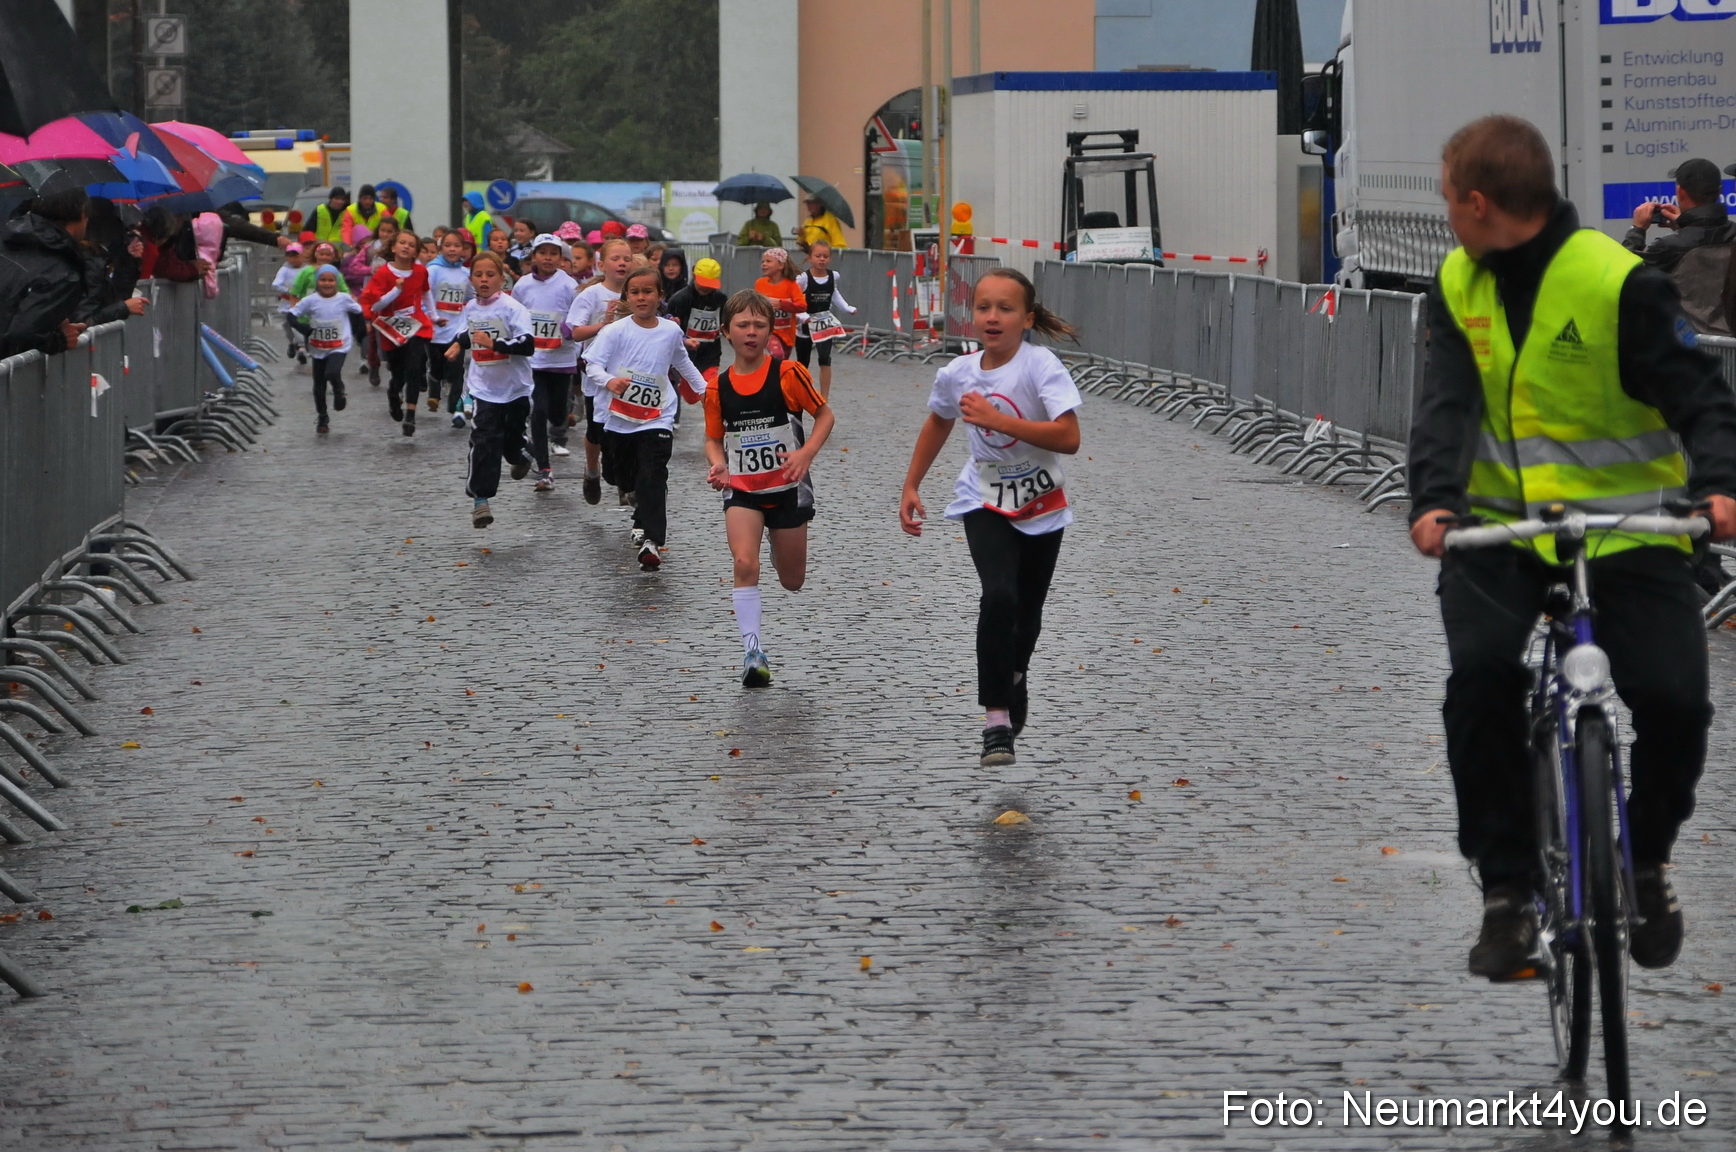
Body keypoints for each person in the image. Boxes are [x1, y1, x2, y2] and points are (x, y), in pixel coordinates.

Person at [1405, 115, 1736, 979]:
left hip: (1628, 531)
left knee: (1674, 700)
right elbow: (1444, 404)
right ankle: (1507, 889)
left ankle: (1646, 860)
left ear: (1479, 204)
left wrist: (1718, 486)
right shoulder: (1455, 282)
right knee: (1480, 681)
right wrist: (1434, 504)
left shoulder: (1617, 282)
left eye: (1449, 202)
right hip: (1496, 532)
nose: (1447, 219)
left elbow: (1701, 395)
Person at [899, 268, 1082, 770]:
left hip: (1042, 501)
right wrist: (911, 484)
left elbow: (1068, 438)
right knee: (998, 595)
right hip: (984, 497)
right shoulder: (959, 373)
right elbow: (939, 420)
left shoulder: (1040, 365)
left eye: (1005, 308)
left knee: (1027, 615)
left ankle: (1016, 672)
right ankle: (996, 721)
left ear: (1026, 317)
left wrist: (1000, 420)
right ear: (971, 314)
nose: (992, 317)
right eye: (983, 307)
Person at [703, 290, 835, 686]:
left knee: (792, 581)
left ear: (770, 330)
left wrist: (806, 453)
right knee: (745, 564)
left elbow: (825, 415)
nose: (752, 332)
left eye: (760, 325)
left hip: (788, 487)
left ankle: (779, 547)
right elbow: (712, 438)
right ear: (726, 331)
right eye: (743, 325)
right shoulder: (717, 387)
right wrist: (719, 464)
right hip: (742, 489)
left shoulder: (788, 374)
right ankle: (753, 652)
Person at [584, 265, 708, 570]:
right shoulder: (614, 331)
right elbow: (592, 365)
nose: (641, 297)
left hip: (657, 416)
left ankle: (651, 541)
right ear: (627, 296)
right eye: (635, 292)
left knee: (653, 474)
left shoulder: (670, 331)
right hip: (618, 418)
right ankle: (633, 501)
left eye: (648, 291)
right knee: (621, 477)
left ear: (660, 296)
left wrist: (708, 393)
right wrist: (609, 381)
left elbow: (682, 362)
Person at [446, 251, 537, 529]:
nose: (484, 280)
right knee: (484, 440)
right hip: (484, 388)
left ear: (502, 278)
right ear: (471, 278)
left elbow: (527, 344)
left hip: (515, 389)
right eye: (478, 275)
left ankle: (523, 453)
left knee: (510, 444)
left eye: (490, 275)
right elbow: (469, 333)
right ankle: (480, 500)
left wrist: (494, 344)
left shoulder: (513, 308)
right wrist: (458, 344)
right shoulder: (470, 307)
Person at [566, 237, 633, 506]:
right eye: (616, 258)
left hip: (628, 374)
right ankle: (592, 471)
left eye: (627, 259)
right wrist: (603, 324)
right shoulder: (591, 296)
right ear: (601, 264)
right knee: (598, 430)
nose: (622, 263)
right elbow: (575, 332)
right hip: (597, 375)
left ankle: (623, 481)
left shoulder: (636, 293)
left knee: (626, 428)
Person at [512, 233, 581, 489]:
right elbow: (514, 313)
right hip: (534, 361)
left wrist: (567, 329)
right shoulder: (522, 285)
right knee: (537, 411)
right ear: (534, 256)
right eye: (543, 253)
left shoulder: (569, 285)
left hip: (562, 359)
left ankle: (560, 422)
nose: (548, 258)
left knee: (557, 412)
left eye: (553, 253)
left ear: (561, 257)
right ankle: (544, 469)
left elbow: (578, 315)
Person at [0, 180, 94, 358]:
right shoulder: (63, 272)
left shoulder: (8, 242)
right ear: (82, 214)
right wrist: (59, 339)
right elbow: (22, 333)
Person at [359, 230, 435, 435]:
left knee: (414, 366)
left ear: (415, 252)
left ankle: (410, 415)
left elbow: (426, 293)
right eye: (402, 242)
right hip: (391, 327)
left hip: (416, 324)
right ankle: (394, 393)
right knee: (398, 373)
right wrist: (396, 290)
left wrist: (434, 318)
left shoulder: (420, 272)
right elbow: (375, 305)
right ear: (393, 247)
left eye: (411, 245)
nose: (406, 247)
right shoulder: (384, 273)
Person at [1622, 158, 1732, 276]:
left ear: (1680, 192)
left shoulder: (1665, 248)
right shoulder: (1733, 233)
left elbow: (1624, 275)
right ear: (1720, 191)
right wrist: (1685, 227)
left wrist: (1637, 231)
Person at [289, 264, 363, 435]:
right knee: (319, 384)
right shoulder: (310, 300)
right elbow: (291, 315)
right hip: (317, 347)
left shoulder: (344, 298)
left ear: (336, 282)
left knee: (332, 373)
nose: (327, 283)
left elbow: (358, 312)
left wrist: (360, 334)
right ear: (317, 282)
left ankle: (338, 389)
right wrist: (303, 328)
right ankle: (322, 416)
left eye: (330, 280)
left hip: (339, 345)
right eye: (323, 280)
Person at [794, 240, 858, 398]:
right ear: (810, 257)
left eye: (825, 256)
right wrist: (802, 316)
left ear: (830, 258)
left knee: (824, 358)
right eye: (818, 256)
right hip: (806, 322)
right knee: (803, 361)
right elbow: (795, 300)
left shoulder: (833, 276)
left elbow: (835, 294)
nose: (822, 259)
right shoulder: (803, 278)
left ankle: (824, 397)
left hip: (824, 322)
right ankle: (801, 393)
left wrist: (847, 307)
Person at [425, 229, 475, 429]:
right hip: (436, 328)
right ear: (440, 248)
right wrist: (431, 318)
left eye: (457, 245)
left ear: (462, 249)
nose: (453, 249)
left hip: (458, 328)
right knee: (437, 367)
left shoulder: (465, 273)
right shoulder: (433, 270)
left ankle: (457, 409)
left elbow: (471, 297)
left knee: (456, 371)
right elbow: (423, 295)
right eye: (448, 245)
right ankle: (434, 386)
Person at [667, 256, 728, 384]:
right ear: (694, 275)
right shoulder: (679, 299)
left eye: (709, 284)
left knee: (709, 388)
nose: (705, 288)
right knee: (691, 397)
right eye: (702, 283)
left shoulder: (721, 299)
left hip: (711, 354)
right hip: (687, 355)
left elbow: (727, 321)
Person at [753, 247, 806, 359]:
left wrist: (782, 305)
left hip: (787, 333)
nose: (764, 264)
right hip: (768, 331)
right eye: (763, 261)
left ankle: (772, 376)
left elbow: (802, 306)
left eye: (768, 261)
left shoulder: (791, 285)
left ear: (781, 265)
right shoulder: (760, 283)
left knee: (782, 362)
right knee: (777, 355)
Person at [273, 243, 307, 362]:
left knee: (297, 325)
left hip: (301, 303)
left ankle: (302, 348)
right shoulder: (284, 269)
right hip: (287, 302)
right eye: (290, 256)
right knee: (287, 325)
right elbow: (276, 284)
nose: (293, 259)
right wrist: (289, 291)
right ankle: (293, 342)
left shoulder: (306, 269)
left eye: (295, 255)